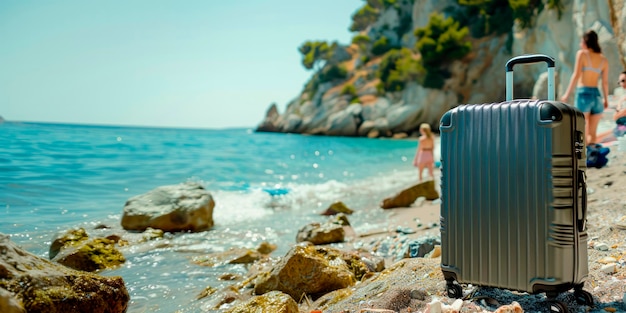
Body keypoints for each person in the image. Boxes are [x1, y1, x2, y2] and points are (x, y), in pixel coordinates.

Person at [560, 30, 609, 145]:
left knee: (580, 131)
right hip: (597, 96)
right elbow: (605, 82)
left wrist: (566, 94)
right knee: (593, 134)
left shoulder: (582, 54)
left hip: (583, 94)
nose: (580, 44)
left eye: (581, 41)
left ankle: (583, 160)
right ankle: (593, 158)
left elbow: (576, 75)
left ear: (586, 41)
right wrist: (606, 100)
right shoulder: (603, 60)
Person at [597, 71, 626, 142]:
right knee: (594, 138)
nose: (621, 83)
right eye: (620, 82)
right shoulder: (623, 97)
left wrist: (617, 115)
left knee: (597, 140)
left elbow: (618, 115)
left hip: (623, 128)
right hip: (620, 127)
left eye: (623, 80)